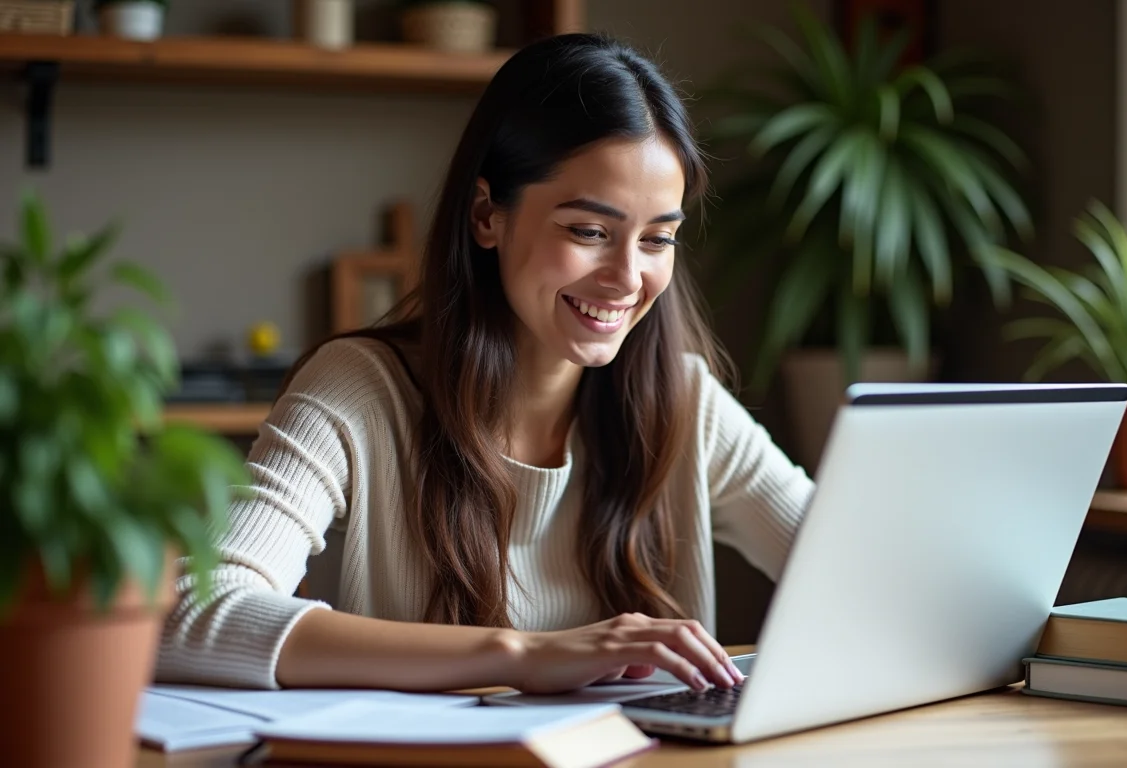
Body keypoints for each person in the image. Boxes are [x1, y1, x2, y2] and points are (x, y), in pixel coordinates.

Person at [156, 32, 814, 696]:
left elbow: (866, 574)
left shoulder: (684, 401)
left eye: (657, 239)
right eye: (589, 231)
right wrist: (522, 655)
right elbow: (189, 612)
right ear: (485, 216)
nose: (627, 278)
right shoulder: (361, 390)